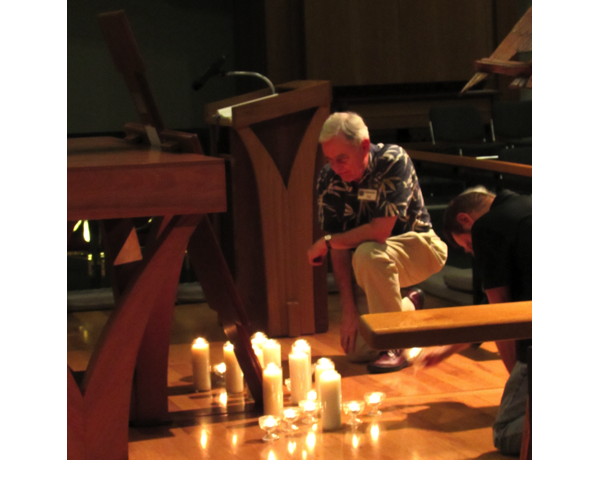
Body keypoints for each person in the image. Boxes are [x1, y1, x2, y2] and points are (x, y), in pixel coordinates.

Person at [307, 112, 448, 373]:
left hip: (421, 248)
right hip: (373, 265)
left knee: (367, 252)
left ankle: (395, 346)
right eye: (329, 160)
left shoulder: (392, 159)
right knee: (360, 350)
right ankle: (409, 305)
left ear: (363, 146)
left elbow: (380, 231)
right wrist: (348, 311)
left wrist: (326, 242)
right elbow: (338, 246)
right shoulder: (328, 178)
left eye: (342, 158)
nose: (336, 167)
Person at [419, 185, 532, 455]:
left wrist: (520, 383)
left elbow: (500, 315)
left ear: (465, 220)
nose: (473, 252)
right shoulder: (529, 207)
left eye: (469, 245)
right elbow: (487, 309)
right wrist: (449, 349)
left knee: (506, 432)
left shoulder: (488, 227)